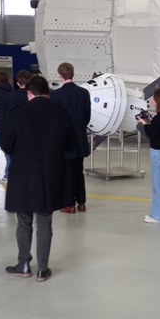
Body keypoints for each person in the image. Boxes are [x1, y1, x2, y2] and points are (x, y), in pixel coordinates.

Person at [0, 75, 75, 282]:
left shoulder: (17, 113)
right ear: (48, 94)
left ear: (29, 94)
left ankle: (23, 264)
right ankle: (42, 269)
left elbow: (5, 144)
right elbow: (70, 145)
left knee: (23, 221)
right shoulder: (61, 114)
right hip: (50, 174)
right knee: (45, 222)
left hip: (23, 174)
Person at [49, 62, 91, 214]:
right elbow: (87, 117)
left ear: (60, 76)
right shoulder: (84, 93)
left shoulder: (56, 95)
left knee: (67, 173)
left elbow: (55, 121)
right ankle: (81, 202)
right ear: (73, 74)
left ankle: (69, 204)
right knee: (79, 171)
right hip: (80, 139)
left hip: (65, 141)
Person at [137, 88, 160, 223]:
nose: (152, 100)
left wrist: (145, 123)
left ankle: (159, 216)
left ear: (159, 101)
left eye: (154, 98)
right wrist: (151, 122)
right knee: (159, 186)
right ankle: (155, 214)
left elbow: (152, 134)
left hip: (158, 154)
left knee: (158, 188)